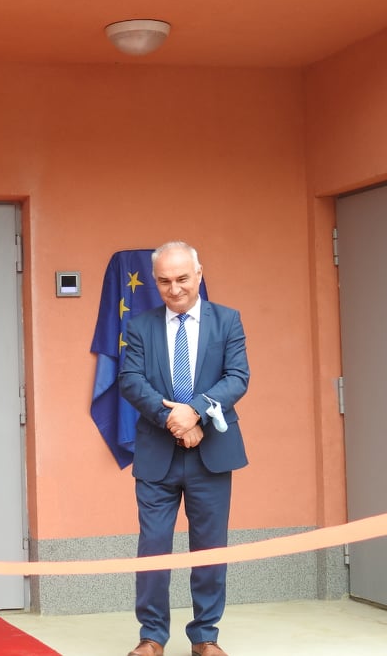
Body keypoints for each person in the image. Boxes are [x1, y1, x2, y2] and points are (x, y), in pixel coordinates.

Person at [118, 241, 249, 656]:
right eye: (164, 281)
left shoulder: (227, 320)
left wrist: (195, 412)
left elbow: (237, 378)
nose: (174, 289)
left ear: (199, 274)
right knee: (153, 549)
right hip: (157, 455)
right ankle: (151, 636)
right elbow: (131, 381)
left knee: (210, 550)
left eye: (182, 279)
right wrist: (172, 420)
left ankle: (205, 637)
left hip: (213, 455)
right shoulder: (139, 326)